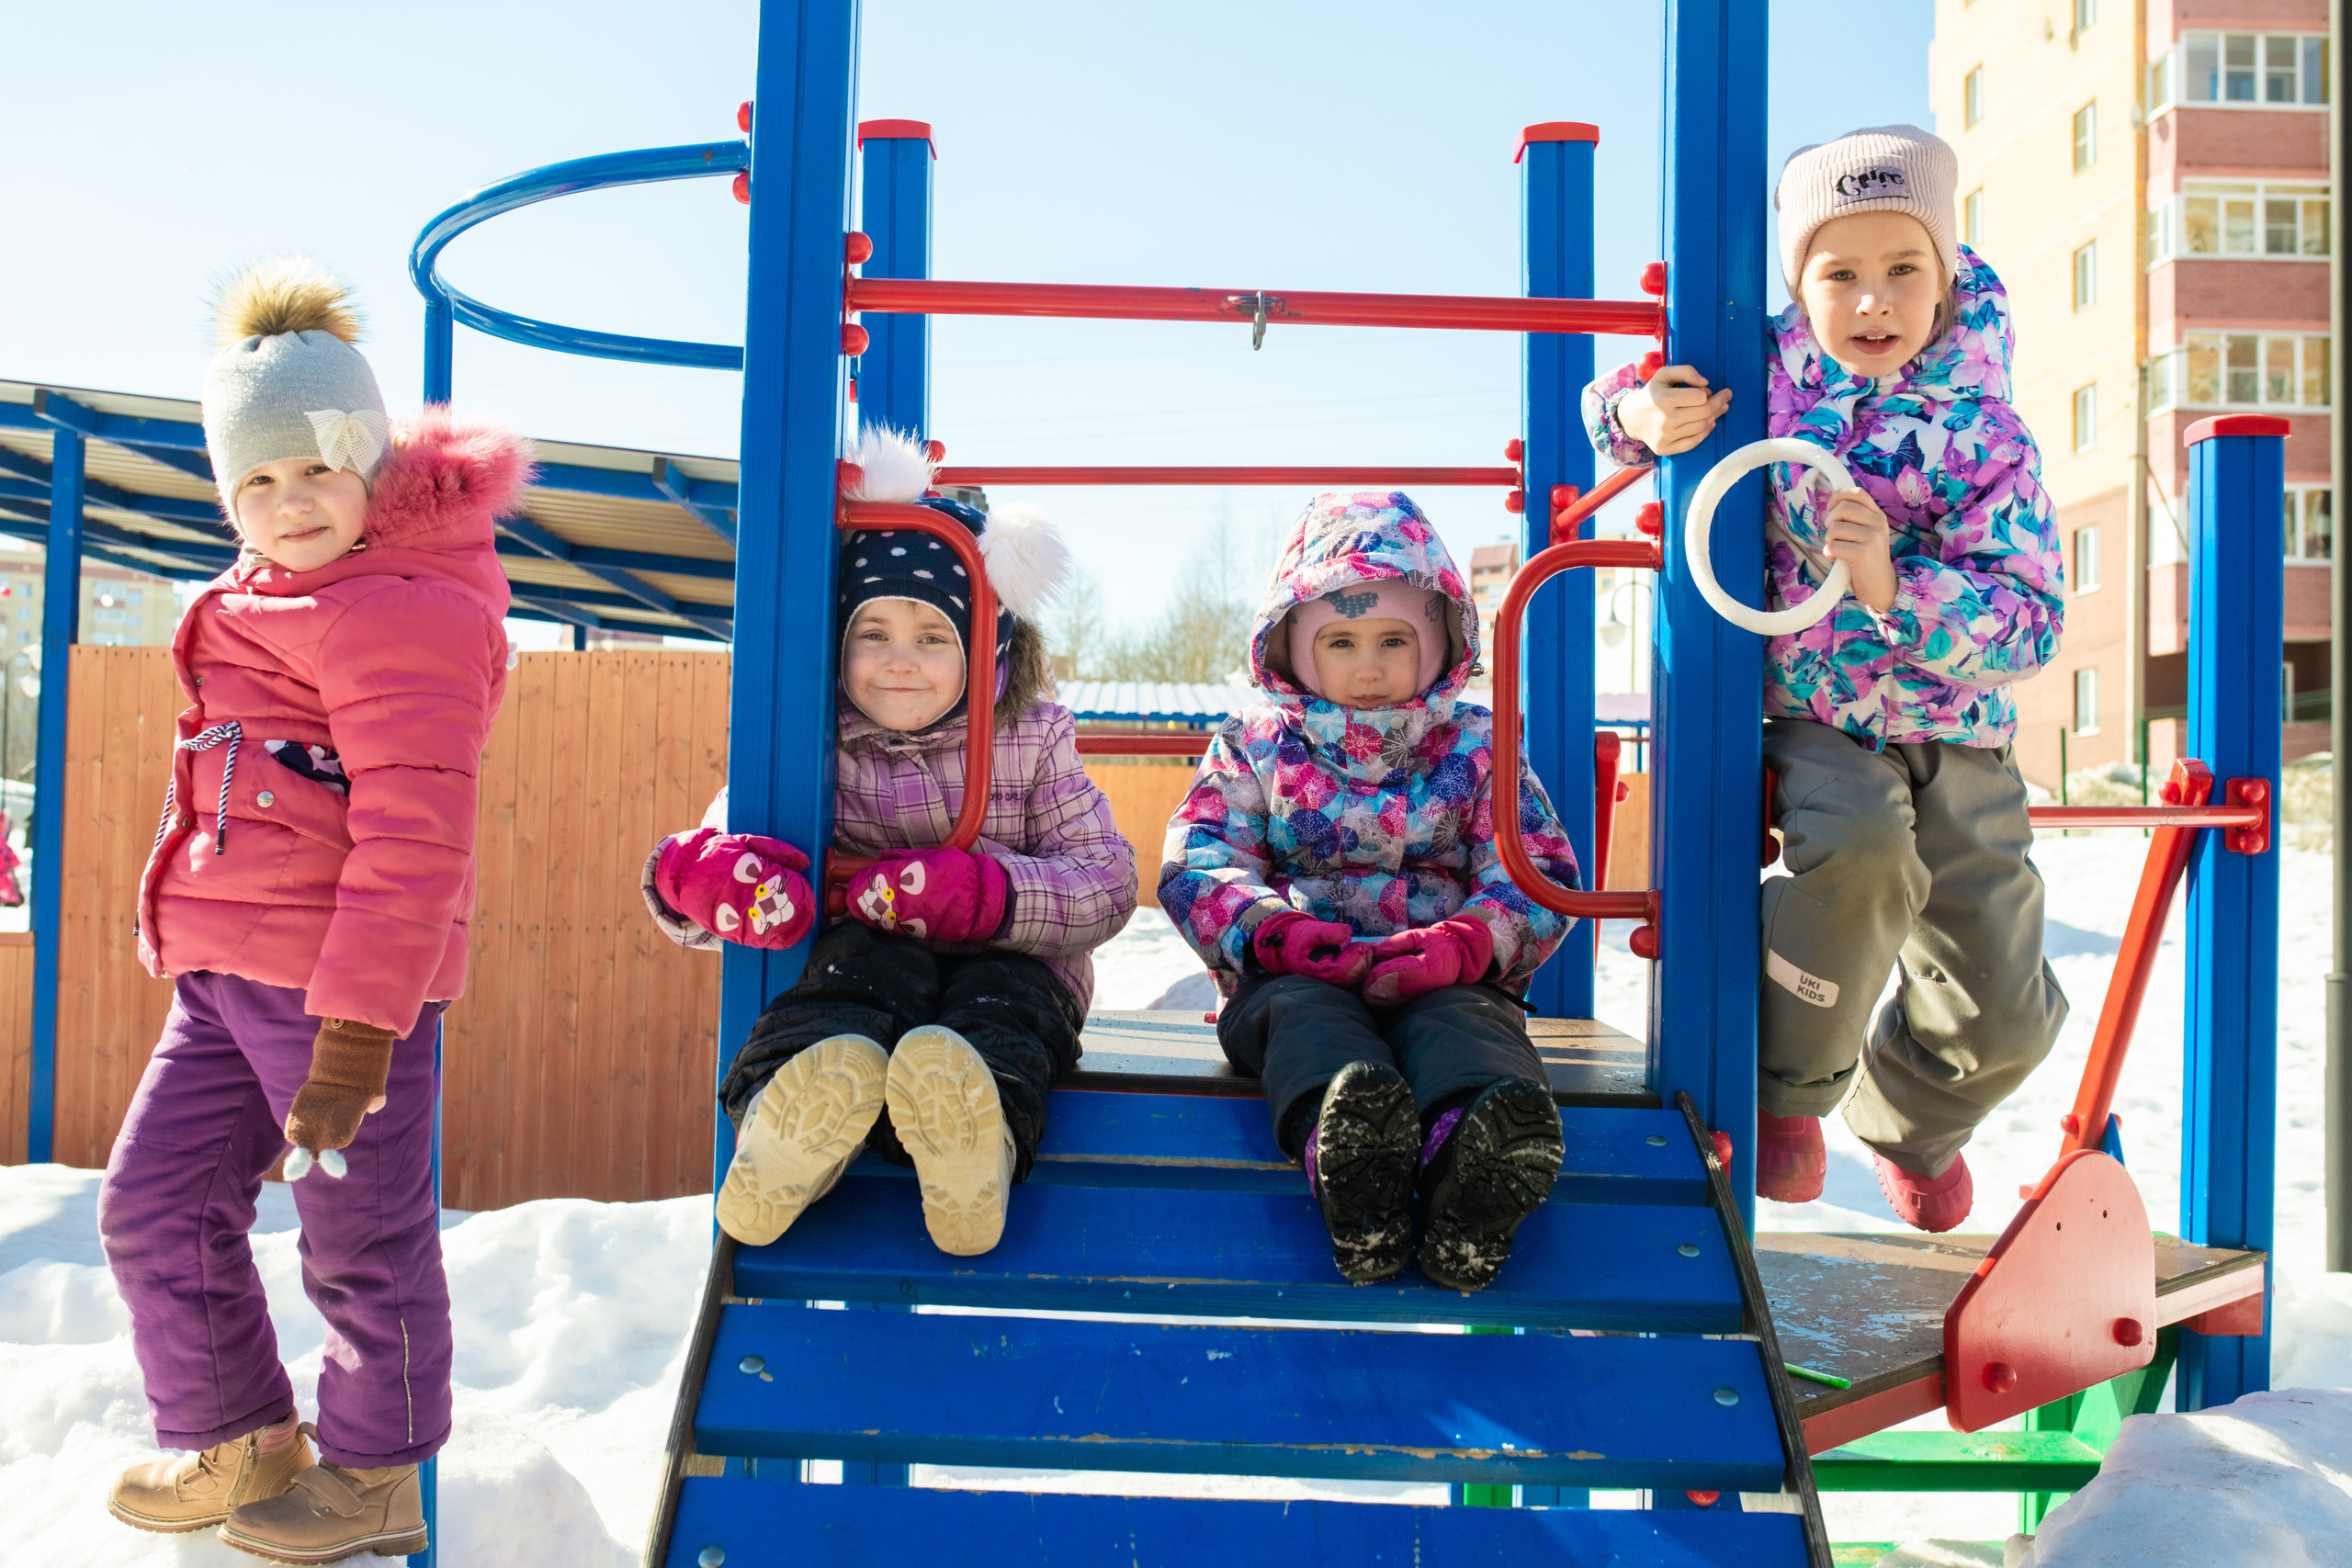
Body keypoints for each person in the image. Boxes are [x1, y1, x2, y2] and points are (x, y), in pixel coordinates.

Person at [98, 259, 522, 1561]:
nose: (288, 506)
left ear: (374, 466)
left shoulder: (403, 609)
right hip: (229, 979)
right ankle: (239, 1431)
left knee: (361, 1235)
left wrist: (356, 1037)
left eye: (317, 471)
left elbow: (416, 834)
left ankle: (376, 1472)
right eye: (256, 481)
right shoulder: (277, 593)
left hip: (342, 992)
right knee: (151, 1203)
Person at [1583, 125, 2067, 1232]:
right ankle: (1792, 1092)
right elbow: (1611, 404)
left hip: (1962, 732)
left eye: (1903, 267)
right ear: (1799, 284)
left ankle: (1916, 1119)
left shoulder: (1985, 431)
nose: (1871, 300)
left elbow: (2030, 619)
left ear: (1945, 272)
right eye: (1837, 273)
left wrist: (1892, 584)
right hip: (1819, 719)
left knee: (2003, 1003)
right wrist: (1641, 417)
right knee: (1857, 855)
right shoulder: (1761, 374)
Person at [644, 428, 1135, 1258]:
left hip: (1011, 957)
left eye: (934, 636)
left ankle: (979, 1145)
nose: (900, 661)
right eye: (874, 632)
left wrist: (992, 895)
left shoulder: (1035, 739)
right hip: (866, 949)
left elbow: (1107, 883)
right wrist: (697, 878)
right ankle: (787, 1132)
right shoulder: (809, 740)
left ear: (989, 654)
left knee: (1003, 1009)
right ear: (838, 644)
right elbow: (721, 847)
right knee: (848, 989)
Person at [1158, 491, 1579, 1292]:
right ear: (1292, 647)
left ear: (1442, 641)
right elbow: (1199, 858)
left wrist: (1469, 943)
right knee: (1308, 1024)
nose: (1370, 664)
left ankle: (1475, 1160)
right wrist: (1268, 931)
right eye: (1340, 640)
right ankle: (1350, 1162)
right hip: (1293, 970)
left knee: (1468, 1026)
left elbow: (1537, 868)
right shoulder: (1255, 743)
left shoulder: (1478, 747)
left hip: (1440, 971)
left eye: (1395, 638)